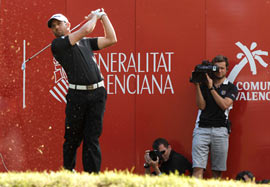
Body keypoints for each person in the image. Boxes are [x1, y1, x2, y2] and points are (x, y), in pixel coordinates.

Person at [48, 8, 117, 173]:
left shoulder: (86, 42)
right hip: (77, 95)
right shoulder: (58, 44)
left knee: (92, 138)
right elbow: (86, 29)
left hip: (97, 94)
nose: (56, 27)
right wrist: (95, 16)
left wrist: (103, 17)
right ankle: (68, 172)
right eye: (53, 26)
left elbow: (112, 39)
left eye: (59, 23)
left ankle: (92, 176)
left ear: (68, 25)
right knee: (72, 138)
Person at [191, 55, 238, 179]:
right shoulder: (204, 84)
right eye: (217, 68)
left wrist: (211, 87)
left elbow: (224, 105)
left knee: (217, 171)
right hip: (201, 129)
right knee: (197, 168)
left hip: (220, 130)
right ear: (212, 68)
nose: (220, 71)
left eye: (222, 68)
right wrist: (197, 85)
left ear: (227, 69)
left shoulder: (231, 87)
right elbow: (201, 106)